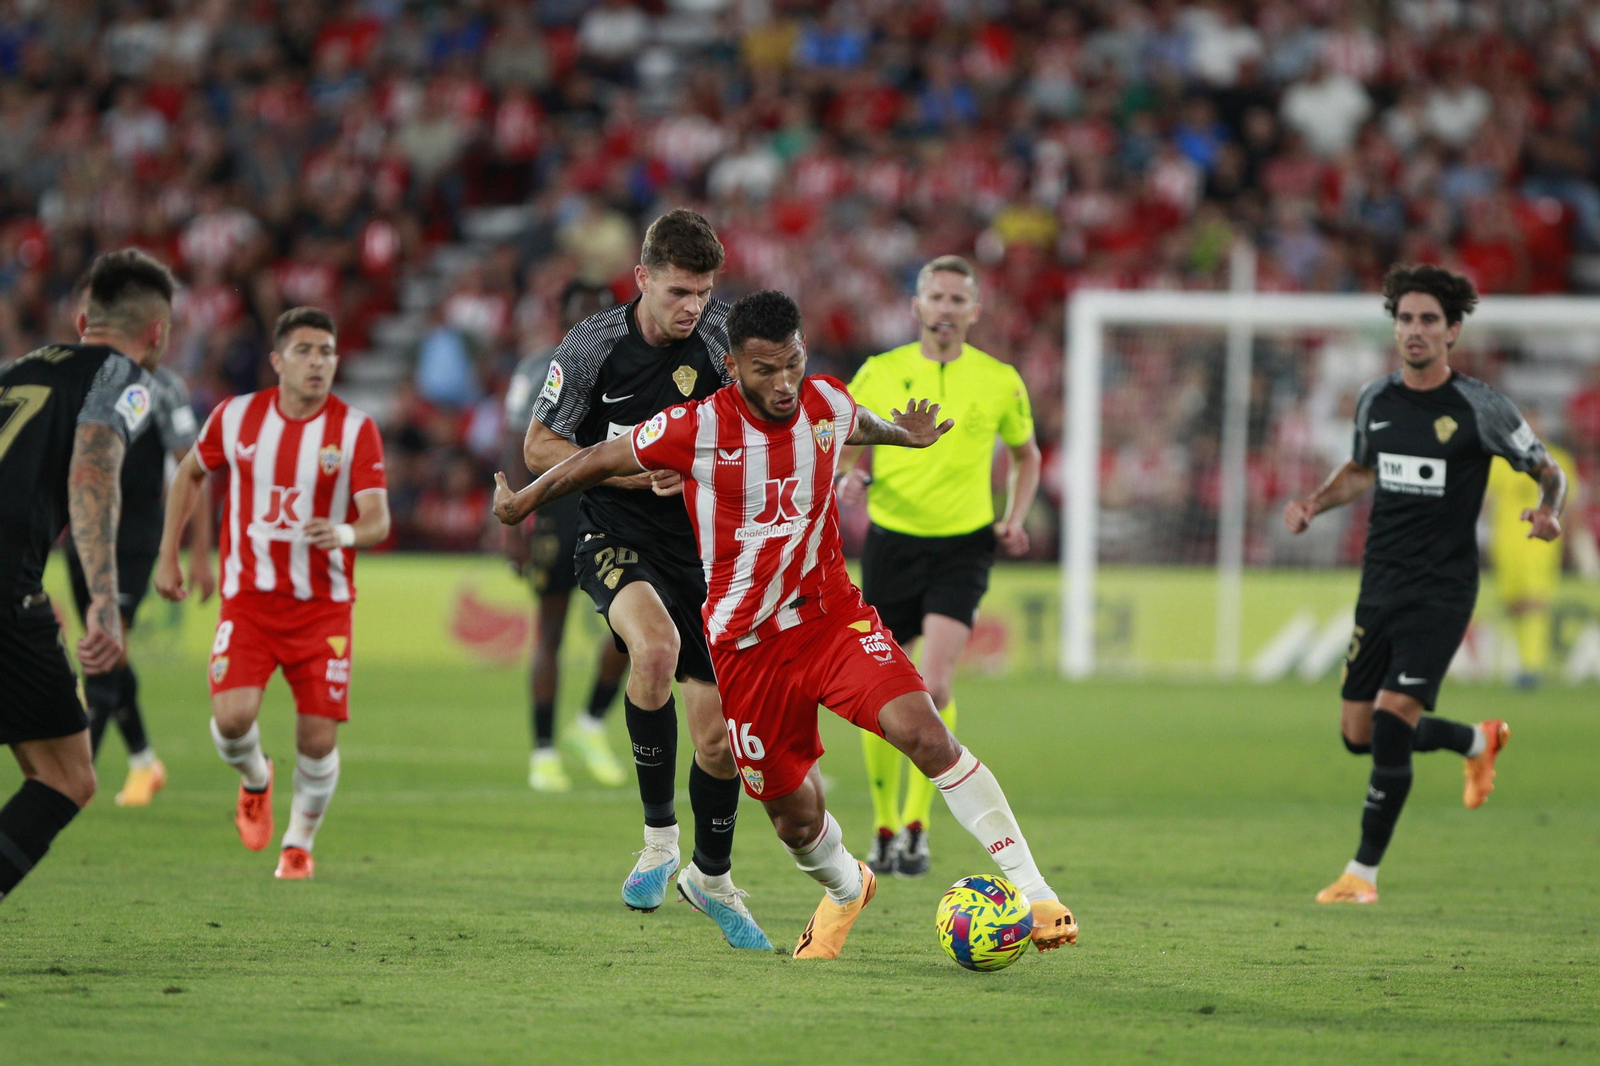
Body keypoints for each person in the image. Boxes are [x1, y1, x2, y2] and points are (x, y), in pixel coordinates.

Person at [494, 290, 1078, 959]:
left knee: (924, 731)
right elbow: (597, 459)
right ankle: (845, 885)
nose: (783, 383)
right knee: (793, 818)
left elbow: (862, 422)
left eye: (792, 364)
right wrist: (525, 502)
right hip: (747, 651)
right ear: (733, 367)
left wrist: (906, 436)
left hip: (831, 621)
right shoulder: (693, 427)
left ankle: (1035, 893)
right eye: (765, 370)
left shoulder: (824, 400)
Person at [1284, 264, 1565, 904]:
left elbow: (1547, 468)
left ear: (1452, 331)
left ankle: (1363, 875)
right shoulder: (1375, 399)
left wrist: (1552, 511)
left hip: (1441, 590)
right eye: (1405, 319)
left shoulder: (1480, 406)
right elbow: (1360, 471)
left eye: (1428, 320)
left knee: (1390, 720)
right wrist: (1313, 504)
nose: (1414, 331)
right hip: (1379, 583)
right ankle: (1475, 739)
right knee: (1358, 734)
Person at [521, 208, 764, 948]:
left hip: (706, 551)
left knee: (720, 740)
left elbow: (768, 419)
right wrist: (629, 472)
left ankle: (711, 876)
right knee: (651, 650)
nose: (692, 306)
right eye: (678, 292)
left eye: (703, 291)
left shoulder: (724, 339)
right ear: (643, 280)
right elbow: (538, 447)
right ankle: (659, 841)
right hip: (613, 534)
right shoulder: (593, 346)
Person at [155, 307, 390, 882]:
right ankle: (256, 778)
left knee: (316, 738)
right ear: (277, 360)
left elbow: (378, 520)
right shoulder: (235, 418)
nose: (318, 362)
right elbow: (189, 473)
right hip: (250, 600)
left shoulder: (355, 429)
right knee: (233, 719)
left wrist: (339, 533)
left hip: (323, 607)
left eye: (327, 352)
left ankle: (298, 844)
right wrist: (173, 555)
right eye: (305, 351)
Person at [838, 254, 1040, 878]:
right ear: (917, 306)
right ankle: (883, 824)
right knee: (880, 691)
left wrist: (1015, 515)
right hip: (893, 541)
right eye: (937, 297)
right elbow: (846, 438)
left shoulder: (1000, 379)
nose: (947, 309)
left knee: (935, 686)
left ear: (975, 311)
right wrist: (852, 474)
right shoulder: (879, 372)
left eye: (959, 299)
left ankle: (919, 828)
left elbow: (1026, 455)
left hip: (963, 544)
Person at [0, 248, 174, 903]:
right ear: (156, 332)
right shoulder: (125, 378)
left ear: (81, 319)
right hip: (7, 589)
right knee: (67, 778)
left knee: (45, 761)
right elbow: (93, 470)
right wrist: (104, 597)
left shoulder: (18, 371)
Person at [62, 279, 216, 807]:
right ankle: (145, 762)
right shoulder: (77, 381)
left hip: (134, 537)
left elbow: (194, 467)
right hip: (81, 537)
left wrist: (196, 552)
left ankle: (72, 781)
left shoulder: (162, 388)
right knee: (110, 649)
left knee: (103, 653)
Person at [503, 280, 629, 791]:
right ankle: (544, 751)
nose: (592, 323)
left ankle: (591, 723)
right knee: (550, 630)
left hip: (616, 501)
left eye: (601, 313)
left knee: (632, 628)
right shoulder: (539, 368)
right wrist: (515, 520)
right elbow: (515, 441)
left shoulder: (633, 366)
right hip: (556, 504)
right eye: (583, 313)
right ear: (563, 317)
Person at [1485, 422, 1587, 687]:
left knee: (1535, 600)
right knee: (1514, 603)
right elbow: (1486, 499)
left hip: (1541, 544)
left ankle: (1533, 665)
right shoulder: (1502, 461)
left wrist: (1571, 542)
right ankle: (1522, 661)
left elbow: (1570, 503)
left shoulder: (1558, 460)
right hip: (1506, 542)